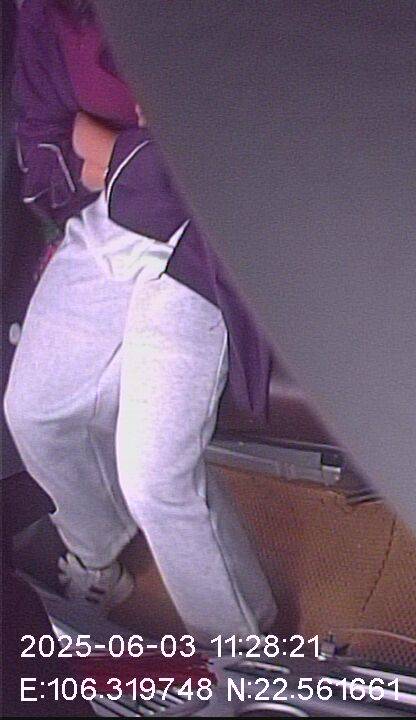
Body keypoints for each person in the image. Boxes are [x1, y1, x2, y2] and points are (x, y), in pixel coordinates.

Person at [4, 0, 276, 641]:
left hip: (212, 237)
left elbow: (233, 144)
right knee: (33, 411)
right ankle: (97, 553)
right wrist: (134, 155)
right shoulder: (47, 12)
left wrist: (108, 148)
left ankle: (242, 647)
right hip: (117, 213)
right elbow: (47, 131)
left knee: (154, 475)